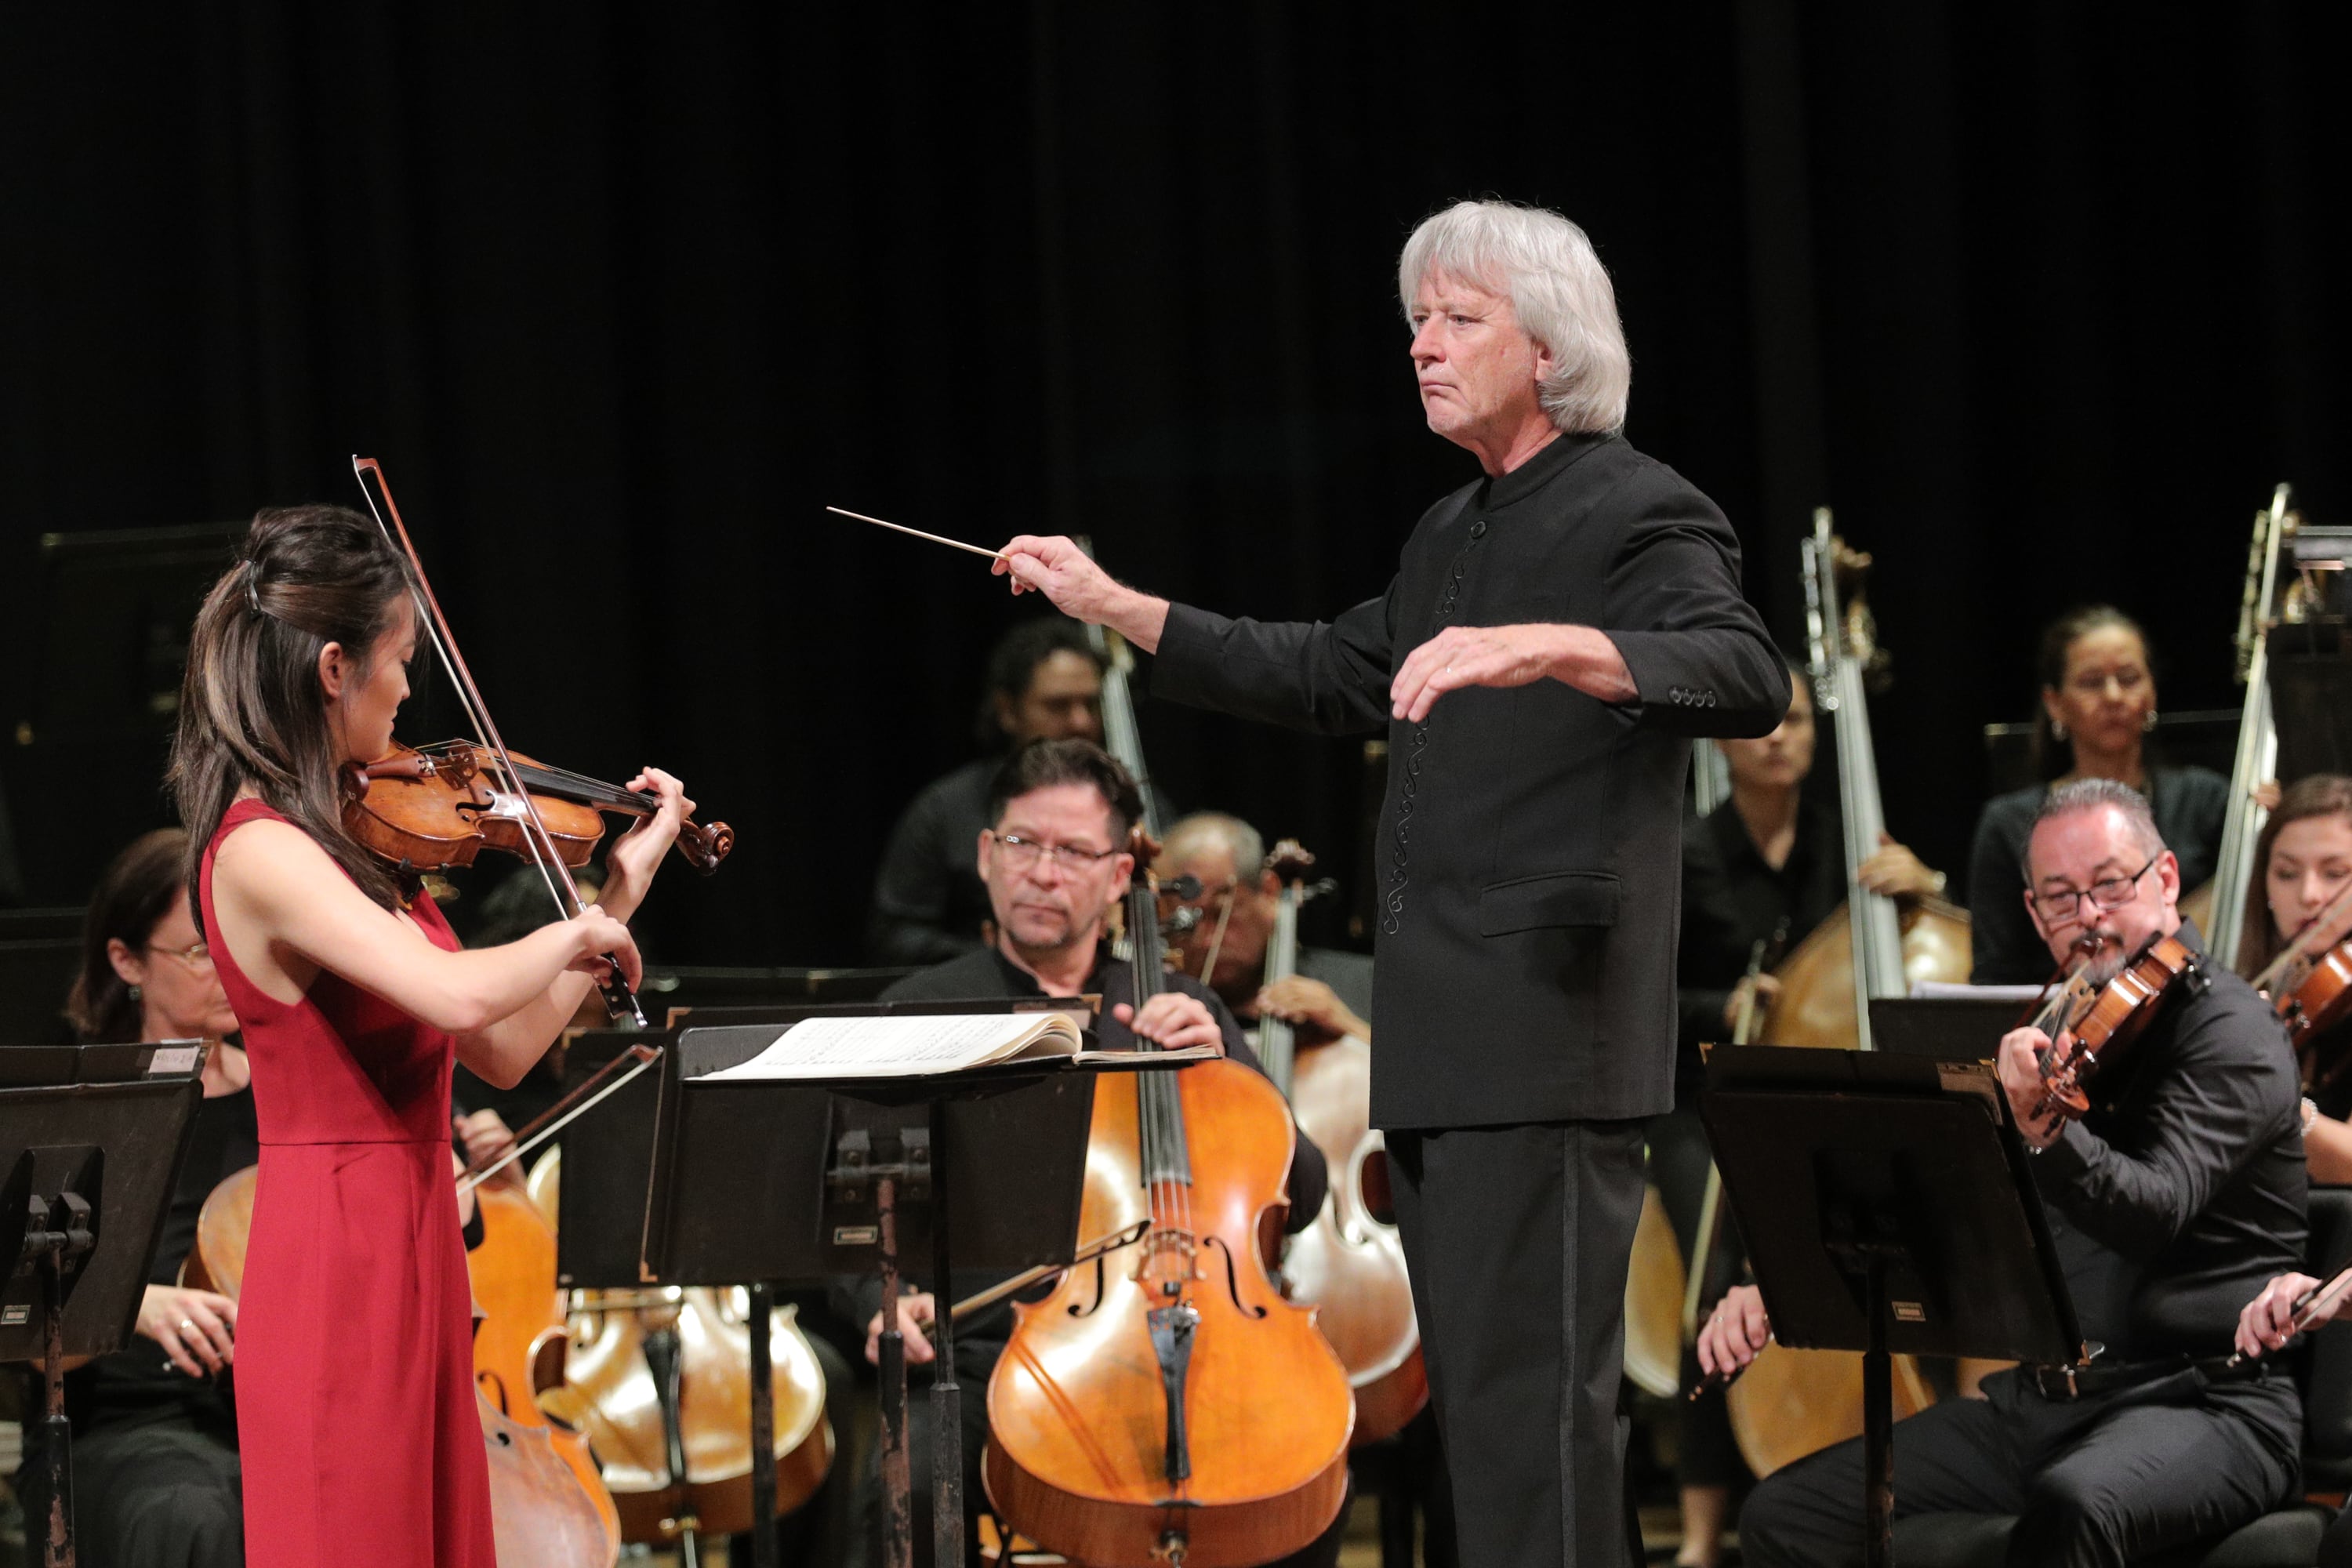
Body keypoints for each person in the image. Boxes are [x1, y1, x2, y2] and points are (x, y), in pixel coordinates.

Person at [994, 198, 1788, 1564]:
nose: (1422, 345)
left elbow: (1743, 671)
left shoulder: (1639, 507)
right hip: (1442, 1046)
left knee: (1540, 1423)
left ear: (1550, 349)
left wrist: (1548, 645)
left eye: (1459, 320)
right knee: (1486, 1425)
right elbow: (1326, 671)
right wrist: (1116, 605)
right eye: (1417, 321)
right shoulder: (1449, 530)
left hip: (1548, 1037)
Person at [169, 504, 691, 1566]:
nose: (410, 691)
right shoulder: (261, 851)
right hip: (336, 1251)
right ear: (334, 669)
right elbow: (455, 995)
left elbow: (498, 1049)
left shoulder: (354, 846)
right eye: (401, 660)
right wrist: (575, 931)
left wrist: (618, 896)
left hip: (417, 1236)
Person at [1704, 779, 2305, 1566]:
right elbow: (1954, 1208)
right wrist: (1790, 1283)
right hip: (2044, 1404)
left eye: (2110, 885)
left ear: (2164, 878)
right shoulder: (2065, 1026)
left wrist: (2046, 1132)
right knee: (1788, 1514)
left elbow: (2155, 1209)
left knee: (2074, 1504)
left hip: (2207, 1400)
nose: (2089, 916)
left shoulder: (2231, 1029)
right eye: (2061, 897)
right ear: (2033, 913)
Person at [852, 739, 1338, 1567]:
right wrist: (879, 1297)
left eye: (1073, 852)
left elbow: (1303, 1193)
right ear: (986, 854)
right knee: (909, 1480)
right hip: (986, 1355)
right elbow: (851, 1198)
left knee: (1299, 1485)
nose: (1043, 873)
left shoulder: (1180, 1005)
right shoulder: (917, 1011)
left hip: (1191, 1339)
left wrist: (1223, 1059)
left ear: (1118, 876)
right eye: (1022, 844)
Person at [1660, 669, 1943, 1566]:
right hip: (1704, 1104)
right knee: (1713, 1278)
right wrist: (1721, 1004)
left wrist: (1925, 882)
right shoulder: (1686, 850)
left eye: (1792, 719)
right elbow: (1641, 997)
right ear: (1721, 740)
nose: (1778, 736)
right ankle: (1701, 1533)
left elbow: (1915, 943)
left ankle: (1859, 1472)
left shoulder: (1848, 842)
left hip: (1812, 1102)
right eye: (1758, 722)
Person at [1968, 606, 2228, 983]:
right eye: (2091, 682)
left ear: (2152, 692)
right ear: (2055, 703)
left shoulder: (2207, 799)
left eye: (2129, 678)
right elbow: (1995, 974)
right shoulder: (2007, 824)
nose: (2113, 696)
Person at [868, 617, 1105, 964]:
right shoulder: (944, 810)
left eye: (1091, 705)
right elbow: (894, 937)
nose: (1081, 722)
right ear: (1008, 711)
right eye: (1058, 705)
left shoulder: (1124, 803)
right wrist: (1001, 959)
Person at [1155, 811, 1374, 1043]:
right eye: (1184, 924)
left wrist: (1350, 1027)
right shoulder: (1159, 1010)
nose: (1207, 940)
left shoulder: (1367, 984)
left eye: (1221, 914)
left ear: (1269, 892)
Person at [2234, 773, 2352, 1182]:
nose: (2309, 895)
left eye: (2335, 873)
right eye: (2287, 874)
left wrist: (2269, 1092)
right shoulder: (2262, 989)